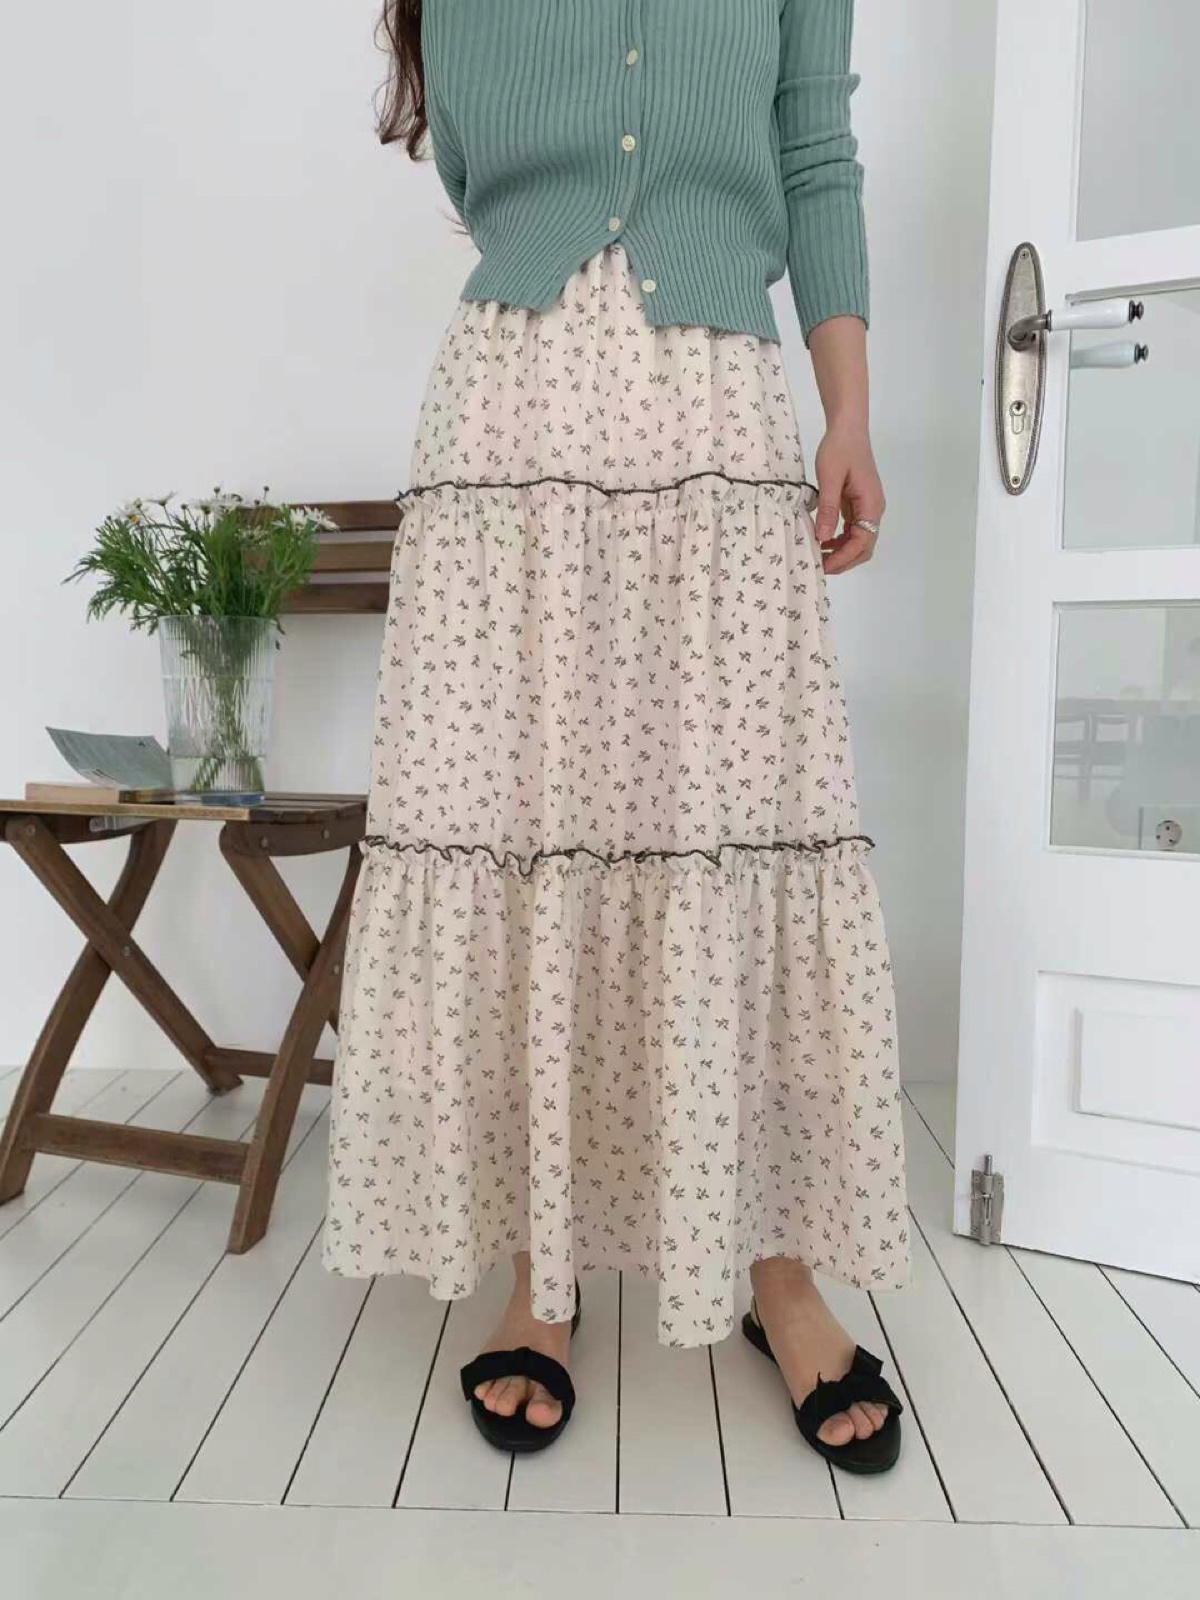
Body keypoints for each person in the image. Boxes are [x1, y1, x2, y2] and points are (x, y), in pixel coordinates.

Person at [323, 0, 911, 1475]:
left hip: (717, 409)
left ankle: (779, 1269)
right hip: (512, 419)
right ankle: (546, 1270)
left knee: (732, 829)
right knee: (530, 831)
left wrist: (847, 412)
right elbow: (480, 171)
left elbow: (816, 156)